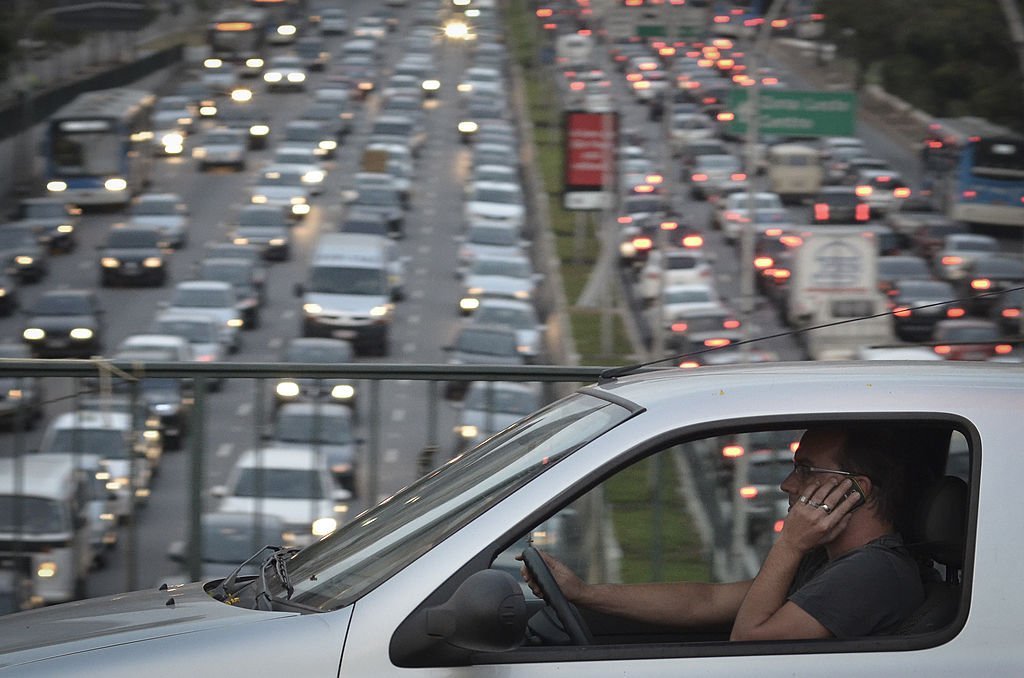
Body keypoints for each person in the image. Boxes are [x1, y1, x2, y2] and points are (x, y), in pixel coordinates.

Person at [521, 425, 926, 641]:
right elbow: (706, 601)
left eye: (805, 469)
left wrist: (790, 542)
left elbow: (750, 644)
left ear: (855, 489)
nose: (788, 484)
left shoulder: (874, 573)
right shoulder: (830, 562)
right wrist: (583, 593)